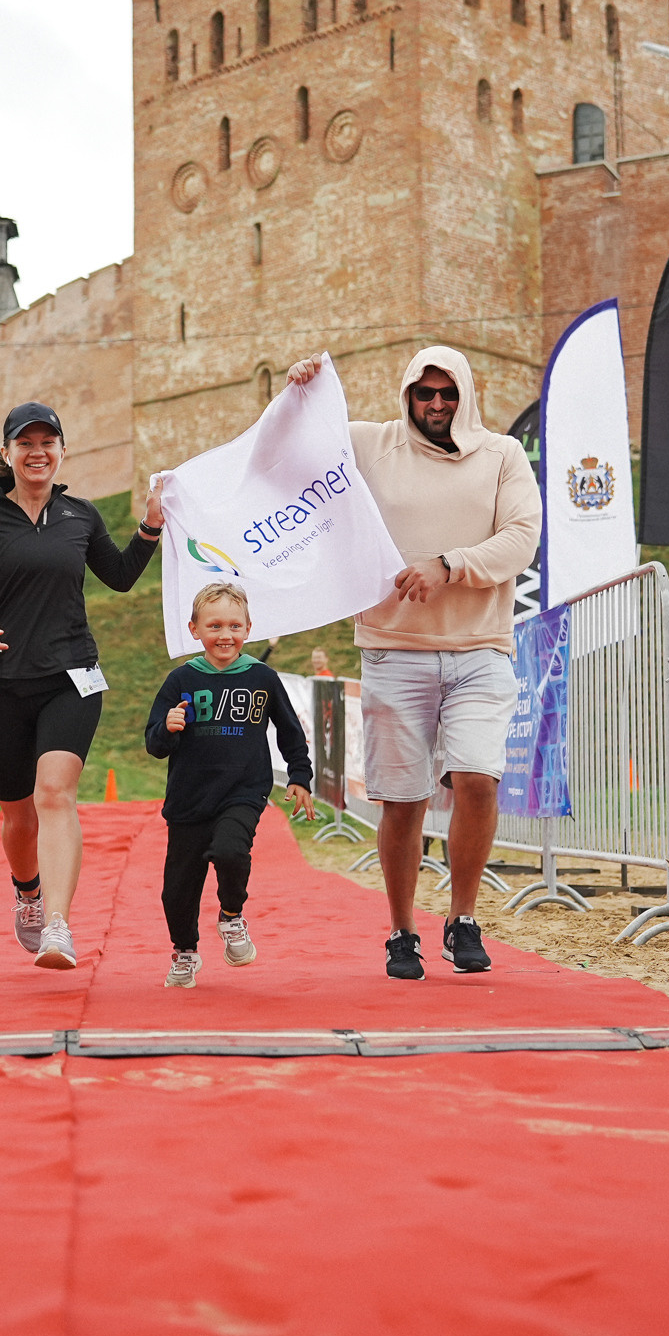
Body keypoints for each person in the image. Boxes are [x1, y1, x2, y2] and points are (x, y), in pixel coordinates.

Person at [284, 347, 540, 979]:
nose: (436, 404)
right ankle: (402, 929)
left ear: (465, 395)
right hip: (395, 651)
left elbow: (522, 537)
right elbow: (295, 451)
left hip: (480, 648)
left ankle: (462, 919)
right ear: (408, 396)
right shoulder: (370, 446)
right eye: (424, 393)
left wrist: (447, 565)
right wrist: (302, 392)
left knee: (477, 777)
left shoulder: (503, 455)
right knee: (403, 801)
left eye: (447, 393)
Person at [0, 403, 163, 969]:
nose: (38, 451)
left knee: (55, 794)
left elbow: (120, 576)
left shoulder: (80, 516)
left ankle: (59, 924)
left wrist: (151, 526)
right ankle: (29, 894)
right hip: (3, 682)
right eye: (25, 442)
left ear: (62, 450)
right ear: (9, 454)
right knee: (18, 816)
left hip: (72, 676)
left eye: (48, 441)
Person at [145, 582, 314, 988]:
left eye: (235, 626)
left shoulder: (262, 677)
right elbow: (154, 744)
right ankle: (185, 951)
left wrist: (299, 776)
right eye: (215, 625)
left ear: (249, 628)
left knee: (230, 850)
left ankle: (231, 916)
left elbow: (291, 731)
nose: (225, 634)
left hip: (243, 790)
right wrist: (167, 729)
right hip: (188, 797)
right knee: (177, 893)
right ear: (194, 629)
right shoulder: (180, 679)